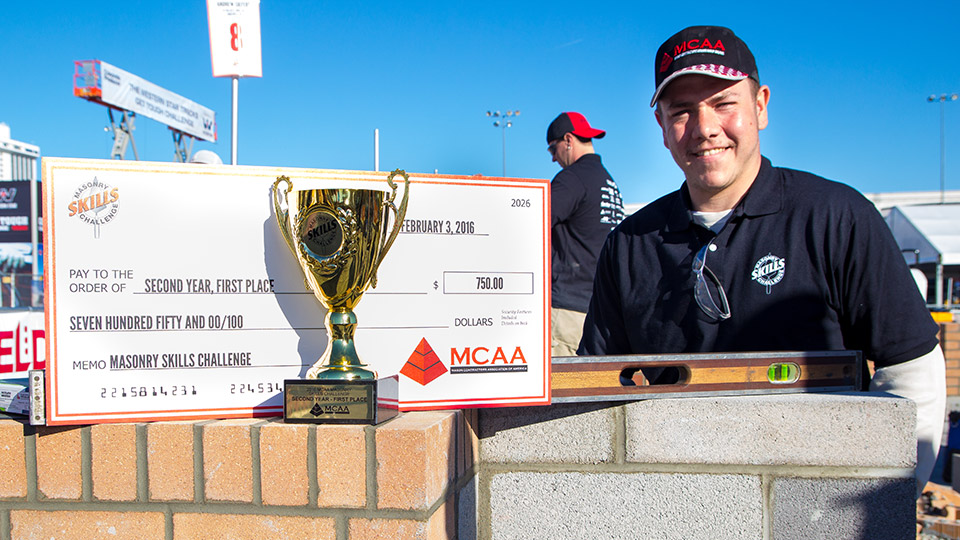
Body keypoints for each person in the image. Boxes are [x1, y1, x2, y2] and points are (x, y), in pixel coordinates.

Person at [578, 25, 946, 493]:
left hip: (814, 508)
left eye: (723, 103)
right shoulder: (629, 243)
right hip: (676, 504)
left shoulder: (836, 216)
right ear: (663, 129)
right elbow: (597, 388)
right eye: (682, 111)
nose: (705, 127)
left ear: (761, 106)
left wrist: (889, 501)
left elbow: (911, 370)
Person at [546, 112, 624, 356]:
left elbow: (530, 222)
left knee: (558, 390)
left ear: (568, 140)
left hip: (567, 311)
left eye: (552, 149)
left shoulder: (572, 179)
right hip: (597, 309)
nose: (553, 158)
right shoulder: (607, 181)